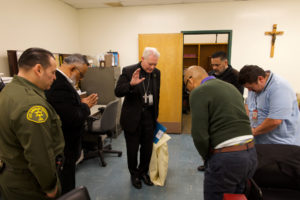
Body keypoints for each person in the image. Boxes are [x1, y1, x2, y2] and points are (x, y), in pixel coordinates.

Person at [0, 47, 65, 200]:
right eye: (53, 72)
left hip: (11, 177)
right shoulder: (31, 105)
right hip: (29, 184)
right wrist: (50, 186)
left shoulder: (8, 92)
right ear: (38, 69)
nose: (54, 77)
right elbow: (39, 155)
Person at [185, 65, 257, 200]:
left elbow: (199, 135)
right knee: (237, 196)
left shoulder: (198, 91)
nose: (188, 90)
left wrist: (206, 158)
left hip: (228, 159)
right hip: (251, 154)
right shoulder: (230, 87)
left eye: (187, 87)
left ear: (190, 80)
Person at [45, 54, 98, 194]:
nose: (81, 79)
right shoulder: (59, 85)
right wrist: (86, 107)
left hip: (69, 146)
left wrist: (80, 104)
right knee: (66, 185)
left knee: (69, 181)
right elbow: (72, 118)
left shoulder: (63, 82)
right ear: (73, 68)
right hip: (65, 146)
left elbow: (65, 109)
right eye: (81, 75)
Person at [115, 47, 161, 189]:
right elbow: (118, 92)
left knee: (147, 149)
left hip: (149, 117)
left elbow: (157, 94)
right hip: (132, 118)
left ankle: (143, 172)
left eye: (155, 64)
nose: (152, 67)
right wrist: (130, 84)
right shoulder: (129, 71)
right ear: (142, 59)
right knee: (133, 150)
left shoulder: (156, 73)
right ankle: (134, 174)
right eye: (150, 64)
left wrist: (155, 116)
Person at [198, 51, 244, 171]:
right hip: (211, 113)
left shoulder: (236, 76)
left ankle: (221, 166)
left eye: (217, 65)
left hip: (226, 116)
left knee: (223, 143)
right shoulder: (210, 74)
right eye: (212, 65)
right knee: (209, 141)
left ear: (225, 62)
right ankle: (208, 163)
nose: (214, 68)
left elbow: (237, 98)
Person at [239, 65, 300, 145]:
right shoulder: (254, 86)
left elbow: (275, 120)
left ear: (260, 79)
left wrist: (253, 132)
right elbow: (248, 105)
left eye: (251, 88)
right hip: (260, 141)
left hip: (281, 144)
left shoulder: (280, 87)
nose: (250, 91)